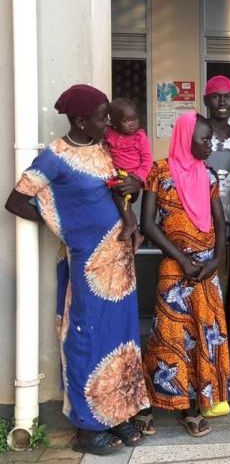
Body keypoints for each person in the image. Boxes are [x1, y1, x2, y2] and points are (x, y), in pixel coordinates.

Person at [5, 84, 149, 455]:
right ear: (81, 121)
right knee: (88, 339)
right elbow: (17, 200)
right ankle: (87, 427)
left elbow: (116, 191)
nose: (109, 123)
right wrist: (68, 230)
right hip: (88, 268)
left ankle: (119, 413)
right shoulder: (54, 157)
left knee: (122, 339)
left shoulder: (103, 150)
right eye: (103, 118)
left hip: (121, 265)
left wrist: (130, 217)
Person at [139, 112, 229, 437]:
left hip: (205, 272)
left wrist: (216, 260)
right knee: (170, 338)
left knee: (203, 337)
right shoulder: (159, 173)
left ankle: (192, 407)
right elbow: (147, 224)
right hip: (174, 270)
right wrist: (182, 259)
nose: (210, 143)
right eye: (204, 139)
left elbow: (220, 223)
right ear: (186, 138)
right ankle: (152, 402)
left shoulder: (209, 176)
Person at [203, 75, 230, 332]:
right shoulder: (197, 135)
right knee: (208, 295)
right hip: (204, 227)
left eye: (227, 96)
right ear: (207, 100)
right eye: (216, 96)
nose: (222, 101)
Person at [105, 97, 153, 190]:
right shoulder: (109, 133)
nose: (132, 124)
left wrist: (138, 178)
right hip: (114, 177)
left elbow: (147, 160)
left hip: (133, 178)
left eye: (134, 119)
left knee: (123, 198)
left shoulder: (139, 137)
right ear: (114, 123)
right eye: (126, 121)